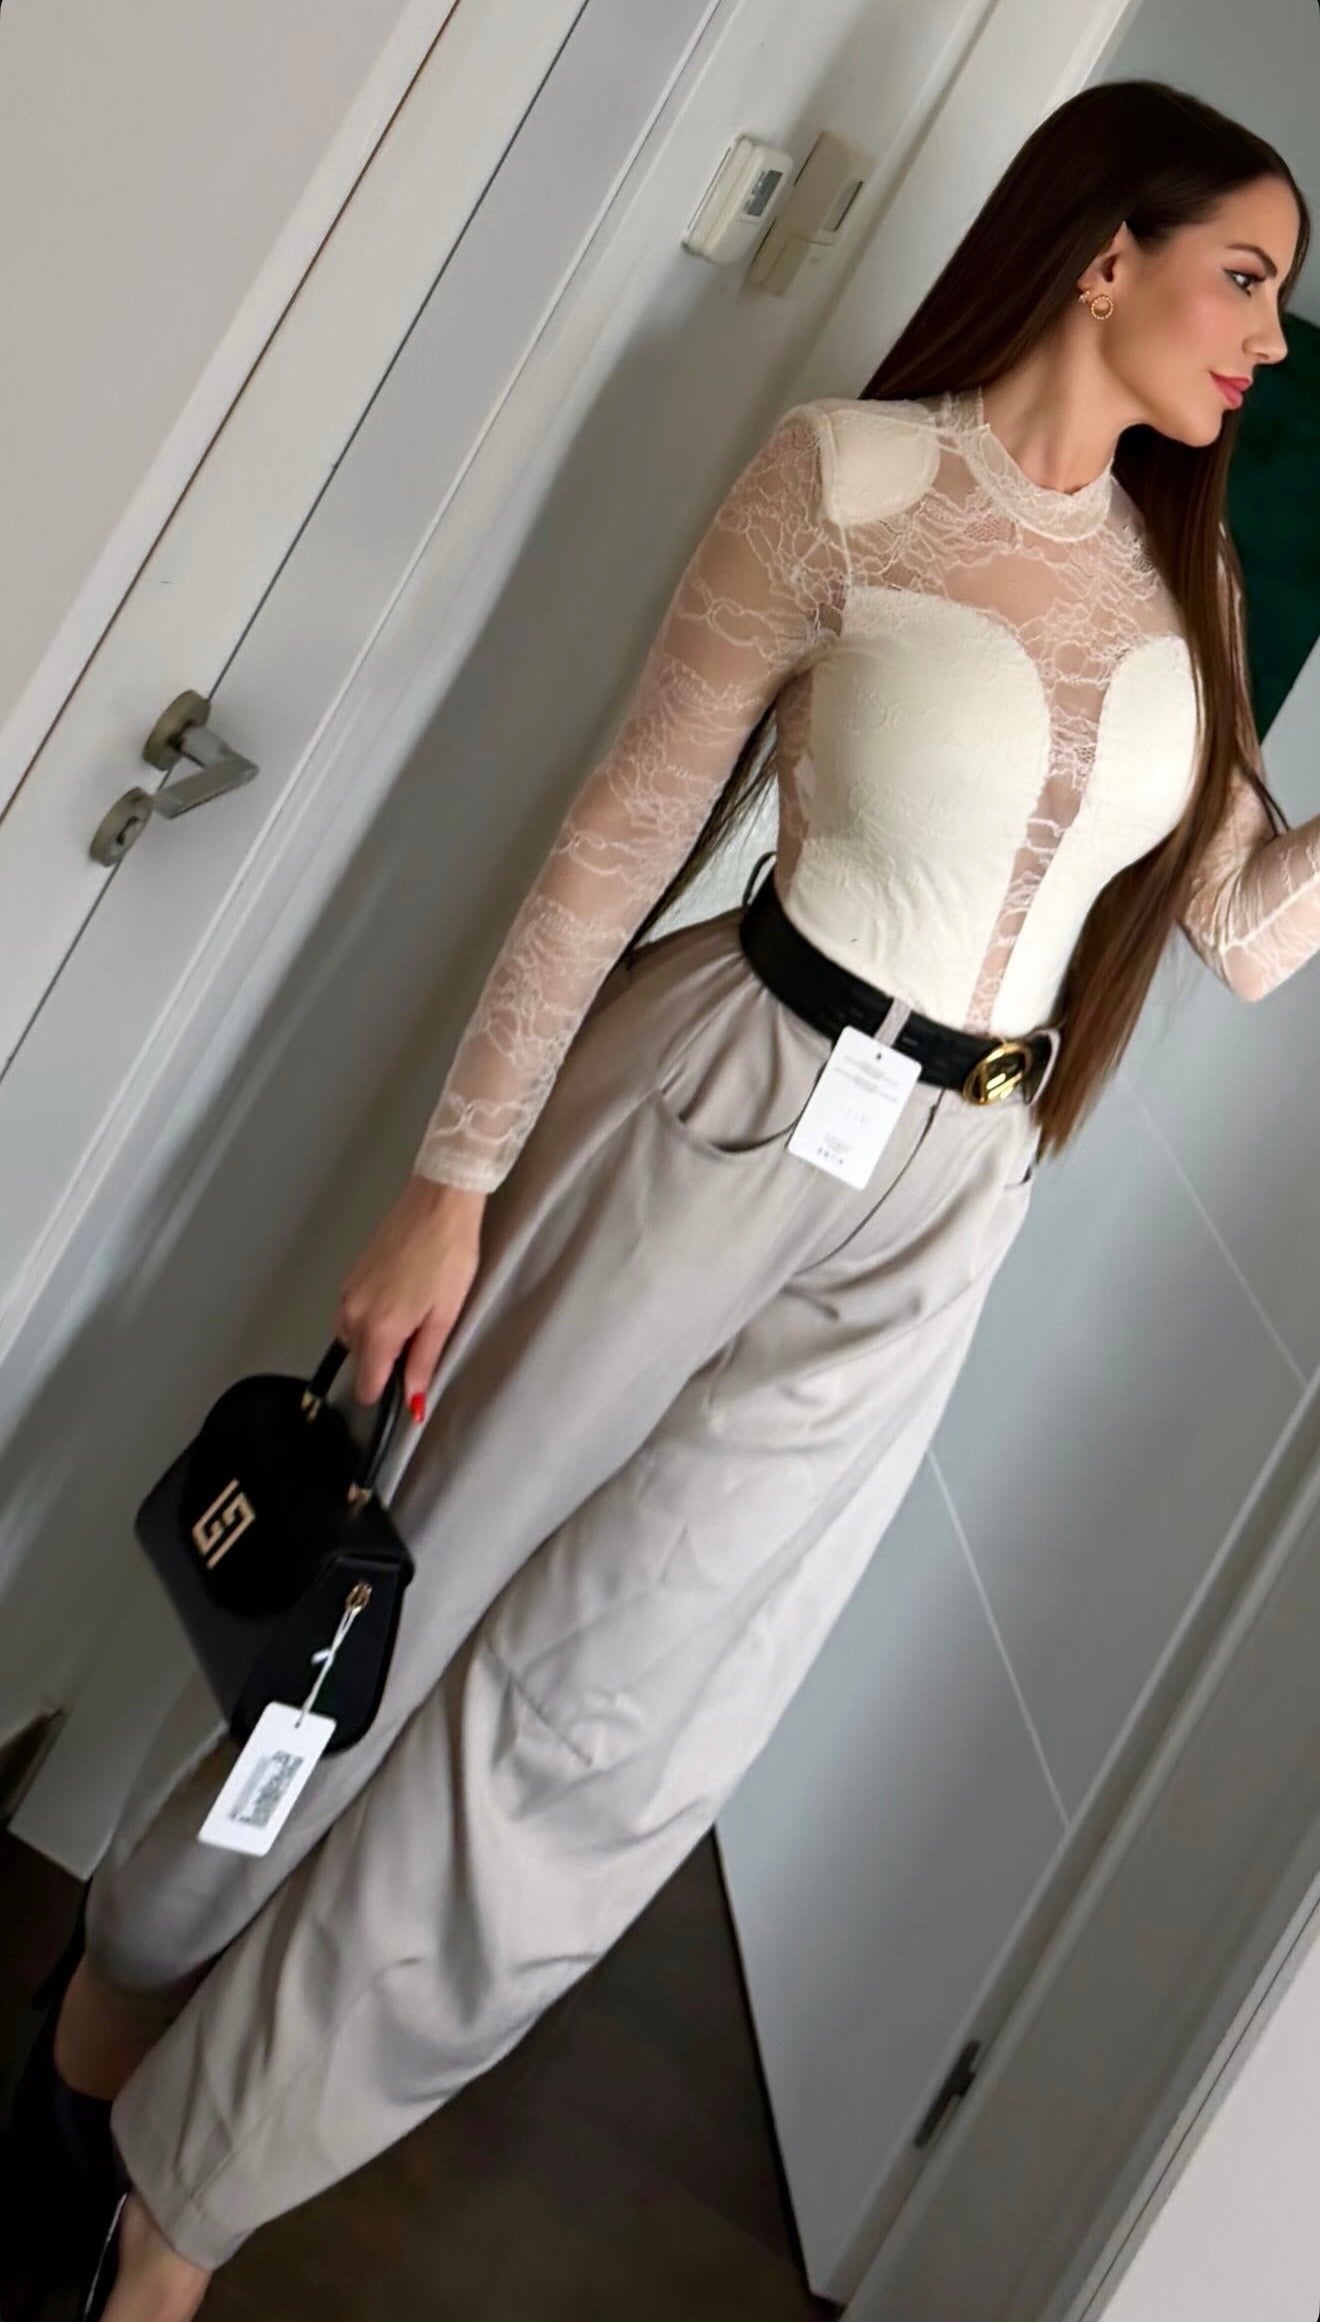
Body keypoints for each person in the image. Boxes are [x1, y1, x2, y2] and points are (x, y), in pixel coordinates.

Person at [3, 76, 1311, 2322]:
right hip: (711, 1095)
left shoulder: (1186, 583)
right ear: (1107, 251)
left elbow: (1247, 933)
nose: (1273, 339)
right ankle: (105, 2028)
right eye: (1247, 277)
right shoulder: (849, 478)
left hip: (944, 1210)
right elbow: (621, 837)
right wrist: (448, 1187)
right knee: (384, 1626)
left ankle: (182, 2205)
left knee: (600, 1743)